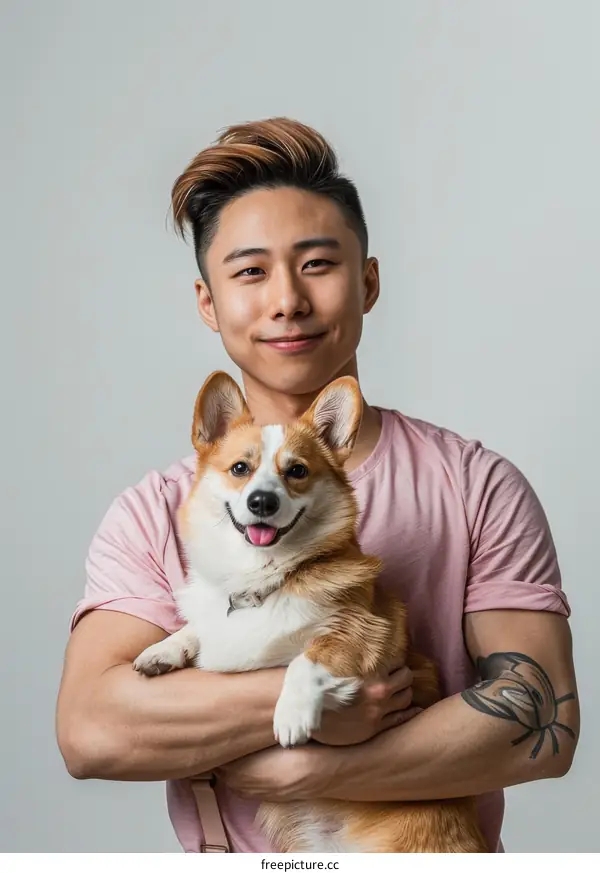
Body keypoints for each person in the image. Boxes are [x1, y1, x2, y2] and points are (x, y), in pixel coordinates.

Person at [56, 117, 579, 854]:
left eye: (317, 263)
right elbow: (91, 731)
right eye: (250, 272)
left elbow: (544, 722)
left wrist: (298, 769)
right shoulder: (150, 513)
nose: (287, 301)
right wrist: (295, 701)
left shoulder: (476, 485)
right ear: (209, 302)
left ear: (368, 281)